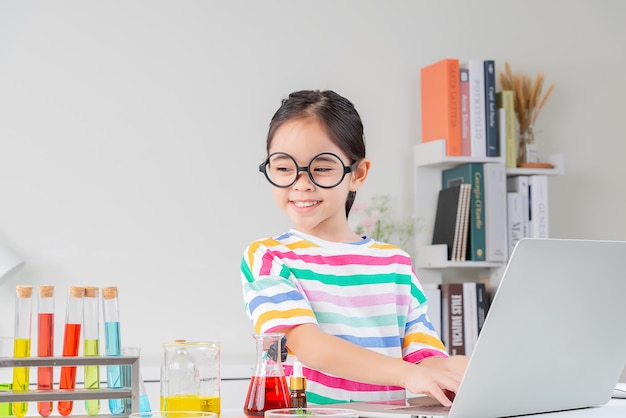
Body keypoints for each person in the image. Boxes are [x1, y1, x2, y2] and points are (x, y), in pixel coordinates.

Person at [240, 89, 468, 406]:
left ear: (357, 174)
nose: (301, 183)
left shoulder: (395, 264)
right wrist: (405, 375)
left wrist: (476, 368)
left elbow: (425, 359)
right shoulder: (269, 257)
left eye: (321, 168)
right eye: (283, 168)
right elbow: (309, 346)